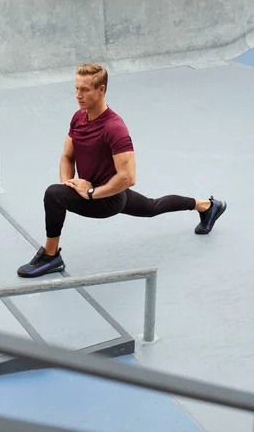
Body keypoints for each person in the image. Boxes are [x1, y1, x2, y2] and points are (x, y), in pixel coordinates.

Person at [17, 63, 227, 278]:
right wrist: (68, 183)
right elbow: (67, 156)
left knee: (53, 195)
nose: (78, 95)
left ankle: (51, 256)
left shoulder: (114, 128)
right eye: (76, 88)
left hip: (107, 199)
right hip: (96, 191)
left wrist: (91, 193)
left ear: (101, 90)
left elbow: (128, 177)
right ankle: (208, 206)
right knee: (152, 207)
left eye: (85, 90)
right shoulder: (78, 118)